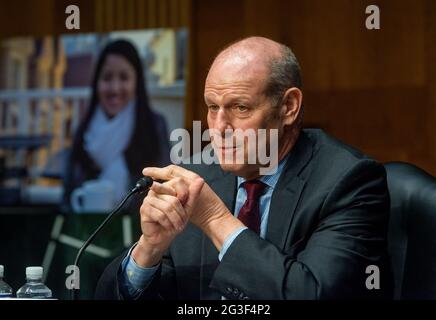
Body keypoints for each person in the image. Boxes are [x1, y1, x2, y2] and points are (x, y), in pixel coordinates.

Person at [96, 37, 392, 299]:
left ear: (288, 106)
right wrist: (149, 251)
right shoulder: (199, 172)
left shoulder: (348, 181)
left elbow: (314, 292)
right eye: (212, 108)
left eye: (240, 108)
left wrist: (216, 220)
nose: (219, 129)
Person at [63, 39, 170, 210]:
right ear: (96, 83)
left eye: (124, 77)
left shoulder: (155, 126)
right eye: (107, 77)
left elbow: (165, 191)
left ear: (137, 82)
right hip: (87, 234)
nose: (114, 88)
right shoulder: (83, 132)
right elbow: (67, 198)